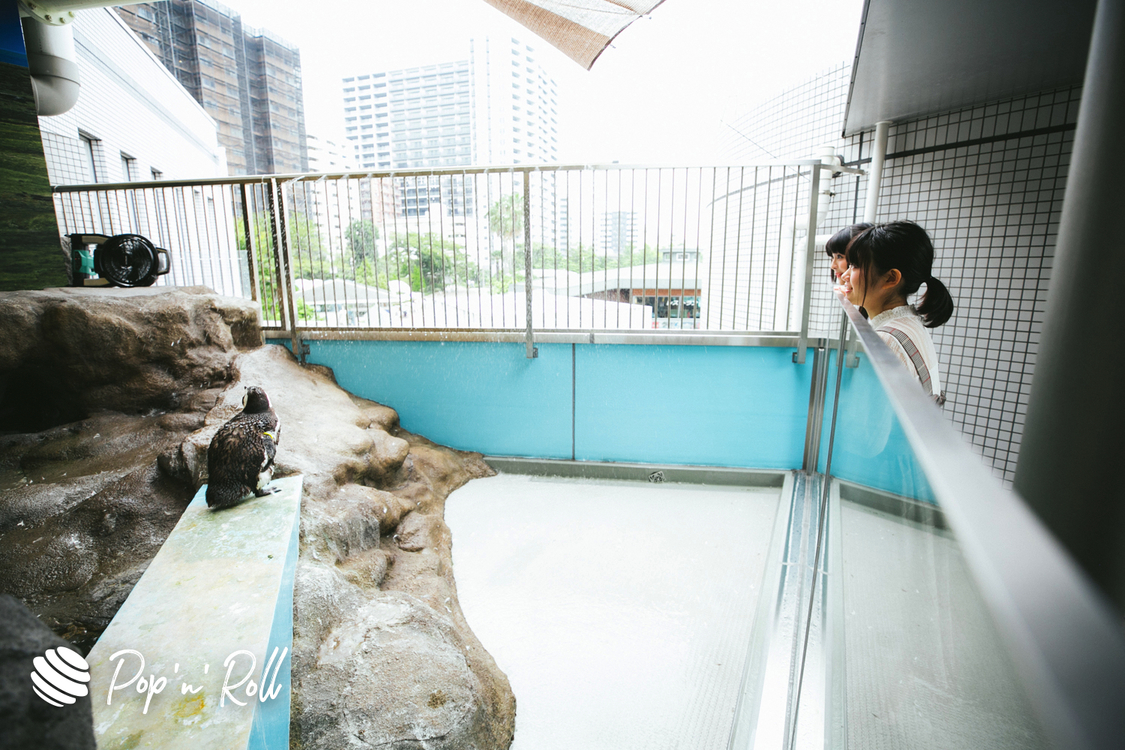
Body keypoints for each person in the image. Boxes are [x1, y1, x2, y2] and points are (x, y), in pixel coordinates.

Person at [838, 221, 954, 405]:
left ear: (891, 278)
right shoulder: (909, 323)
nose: (844, 275)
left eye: (855, 265)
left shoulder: (886, 341)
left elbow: (871, 422)